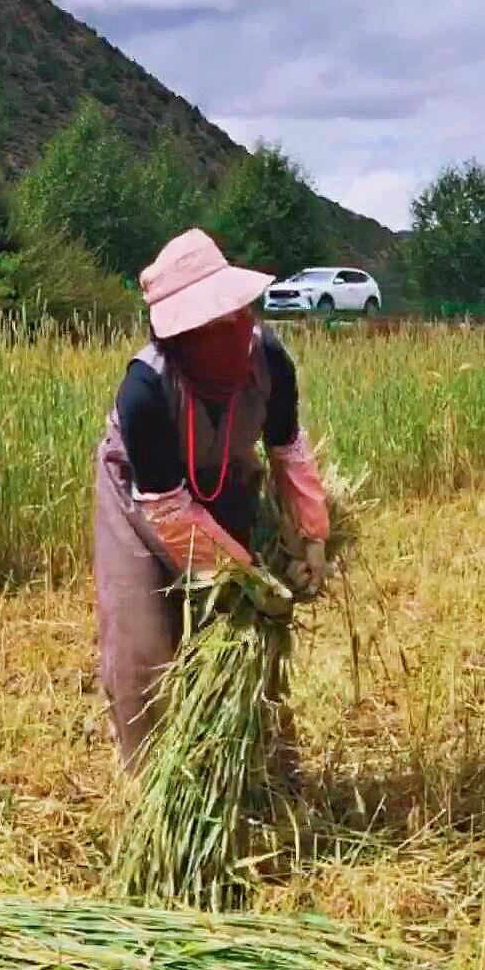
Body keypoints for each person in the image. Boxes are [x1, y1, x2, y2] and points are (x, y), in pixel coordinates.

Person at [92, 229, 331, 767]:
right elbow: (168, 509)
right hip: (141, 499)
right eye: (209, 325)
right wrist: (244, 575)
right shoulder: (146, 390)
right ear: (181, 335)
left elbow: (287, 450)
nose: (230, 331)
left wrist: (312, 536)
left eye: (234, 314)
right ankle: (155, 789)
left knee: (240, 636)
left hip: (226, 481)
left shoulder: (269, 360)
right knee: (143, 651)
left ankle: (254, 764)